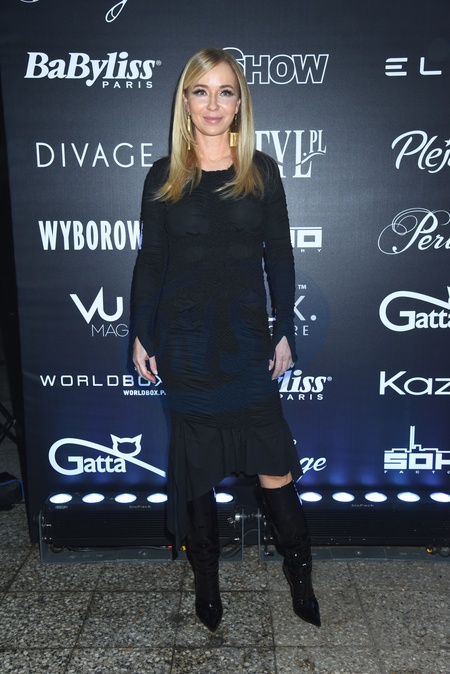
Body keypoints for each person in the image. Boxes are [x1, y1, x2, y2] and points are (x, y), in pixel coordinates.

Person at [131, 47, 320, 632]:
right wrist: (141, 333)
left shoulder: (260, 170)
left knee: (274, 468)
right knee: (196, 476)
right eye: (201, 91)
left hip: (245, 343)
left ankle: (301, 576)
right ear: (185, 101)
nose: (213, 104)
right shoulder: (164, 175)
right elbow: (151, 261)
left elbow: (280, 256)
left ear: (240, 104)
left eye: (225, 91)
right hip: (185, 346)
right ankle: (207, 586)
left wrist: (284, 330)